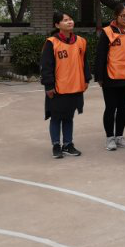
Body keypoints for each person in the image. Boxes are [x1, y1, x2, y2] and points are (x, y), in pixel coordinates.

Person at [40, 12, 90, 159]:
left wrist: (86, 79)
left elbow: (85, 62)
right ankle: (56, 145)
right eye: (65, 20)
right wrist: (49, 86)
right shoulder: (51, 42)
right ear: (57, 25)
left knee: (69, 117)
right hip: (58, 88)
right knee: (56, 118)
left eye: (70, 19)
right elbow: (46, 66)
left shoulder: (81, 41)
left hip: (75, 87)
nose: (69, 22)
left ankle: (68, 144)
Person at [94, 2, 125, 151]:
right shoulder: (107, 32)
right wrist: (100, 77)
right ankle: (109, 138)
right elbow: (100, 55)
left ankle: (119, 136)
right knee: (111, 107)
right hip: (111, 77)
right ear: (116, 16)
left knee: (123, 107)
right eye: (123, 16)